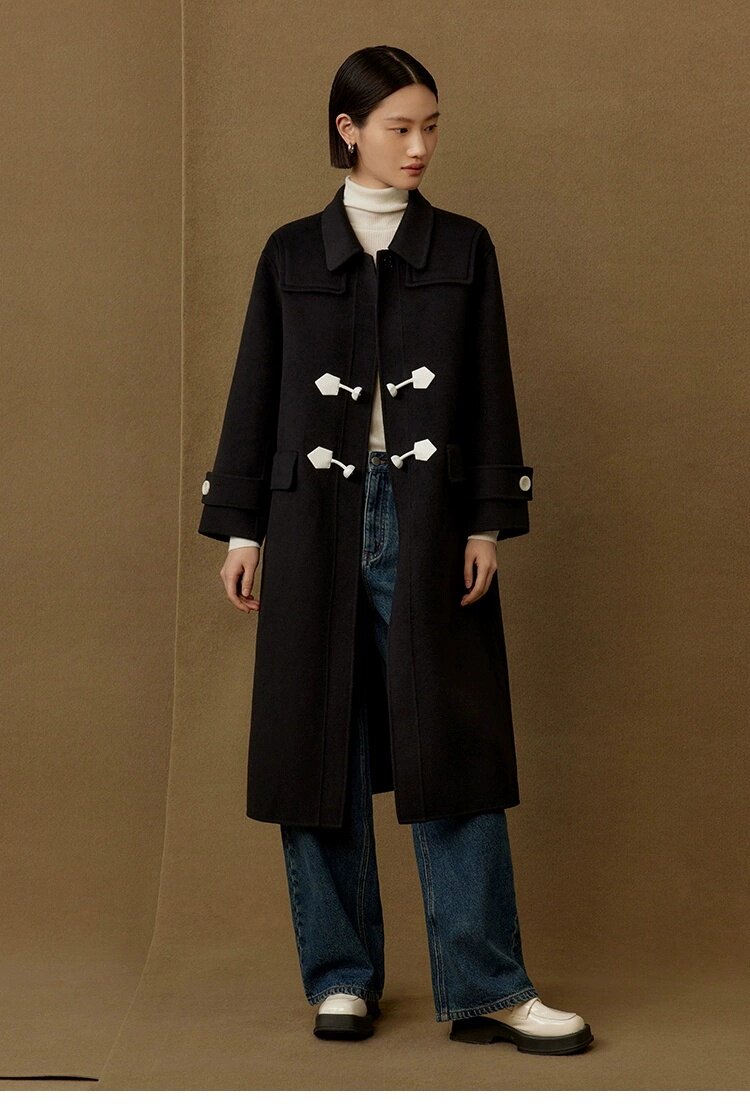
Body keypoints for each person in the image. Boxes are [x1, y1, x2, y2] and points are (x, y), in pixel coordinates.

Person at [199, 45, 593, 1053]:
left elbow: (490, 387)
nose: (419, 147)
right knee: (315, 744)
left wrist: (485, 522)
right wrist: (243, 527)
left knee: (451, 745)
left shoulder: (464, 247)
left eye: (430, 127)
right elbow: (255, 390)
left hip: (429, 517)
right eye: (399, 127)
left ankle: (488, 985)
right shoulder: (291, 254)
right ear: (349, 130)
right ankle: (341, 977)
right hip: (310, 519)